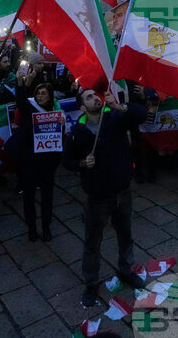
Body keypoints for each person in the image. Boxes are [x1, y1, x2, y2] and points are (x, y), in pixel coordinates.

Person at [63, 88, 148, 308]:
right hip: (98, 197)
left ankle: (126, 270)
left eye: (95, 95)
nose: (95, 98)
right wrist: (82, 163)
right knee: (93, 241)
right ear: (83, 107)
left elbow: (142, 114)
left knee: (125, 235)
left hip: (122, 191)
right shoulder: (78, 132)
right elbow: (67, 160)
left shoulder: (115, 119)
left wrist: (120, 106)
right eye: (89, 97)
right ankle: (91, 282)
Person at [14, 82, 62, 241]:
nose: (40, 96)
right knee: (28, 196)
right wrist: (20, 83)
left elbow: (58, 139)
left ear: (50, 96)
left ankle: (46, 226)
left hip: (47, 163)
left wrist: (61, 126)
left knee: (47, 196)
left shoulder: (55, 114)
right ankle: (31, 227)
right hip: (29, 161)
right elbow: (21, 101)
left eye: (43, 93)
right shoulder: (30, 109)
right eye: (38, 93)